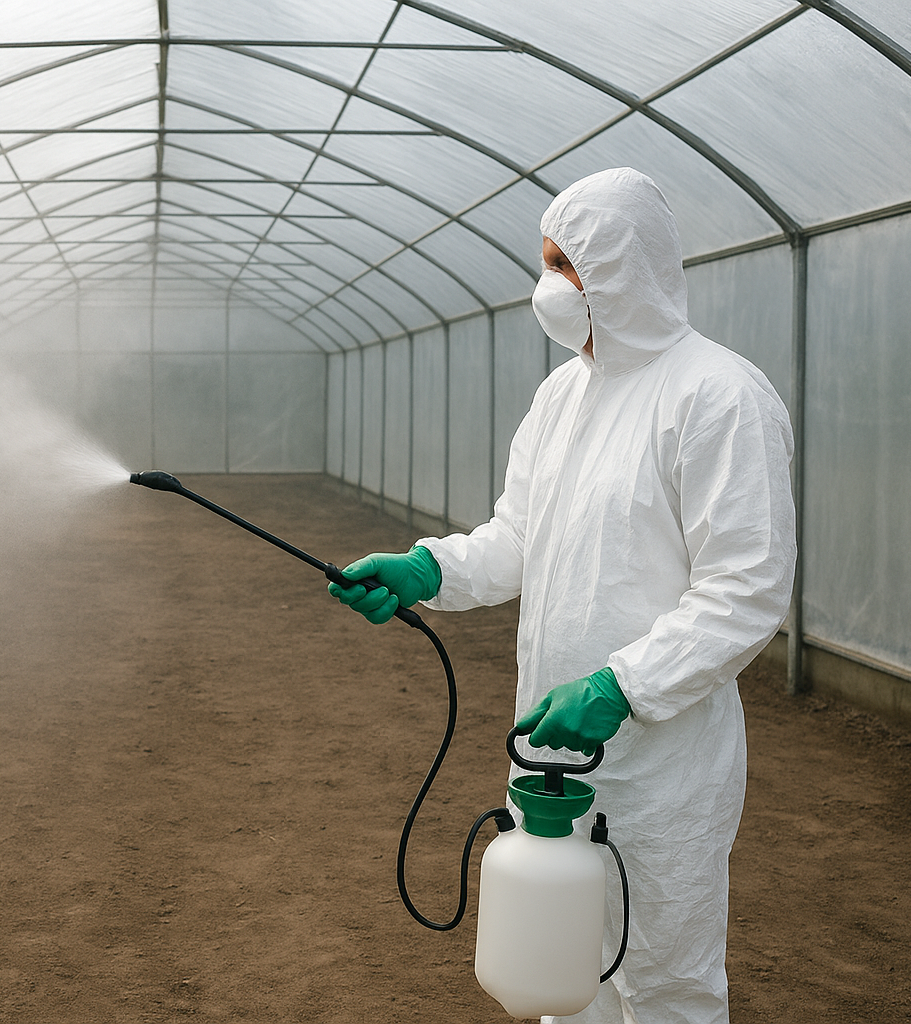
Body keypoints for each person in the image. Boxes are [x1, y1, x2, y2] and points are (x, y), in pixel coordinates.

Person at [329, 167, 795, 1024]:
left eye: (566, 264)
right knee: (559, 970)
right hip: (552, 755)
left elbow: (747, 588)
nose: (549, 285)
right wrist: (430, 570)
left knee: (662, 981)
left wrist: (624, 687)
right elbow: (521, 536)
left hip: (664, 769)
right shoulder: (562, 395)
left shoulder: (718, 395)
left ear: (623, 266)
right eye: (545, 262)